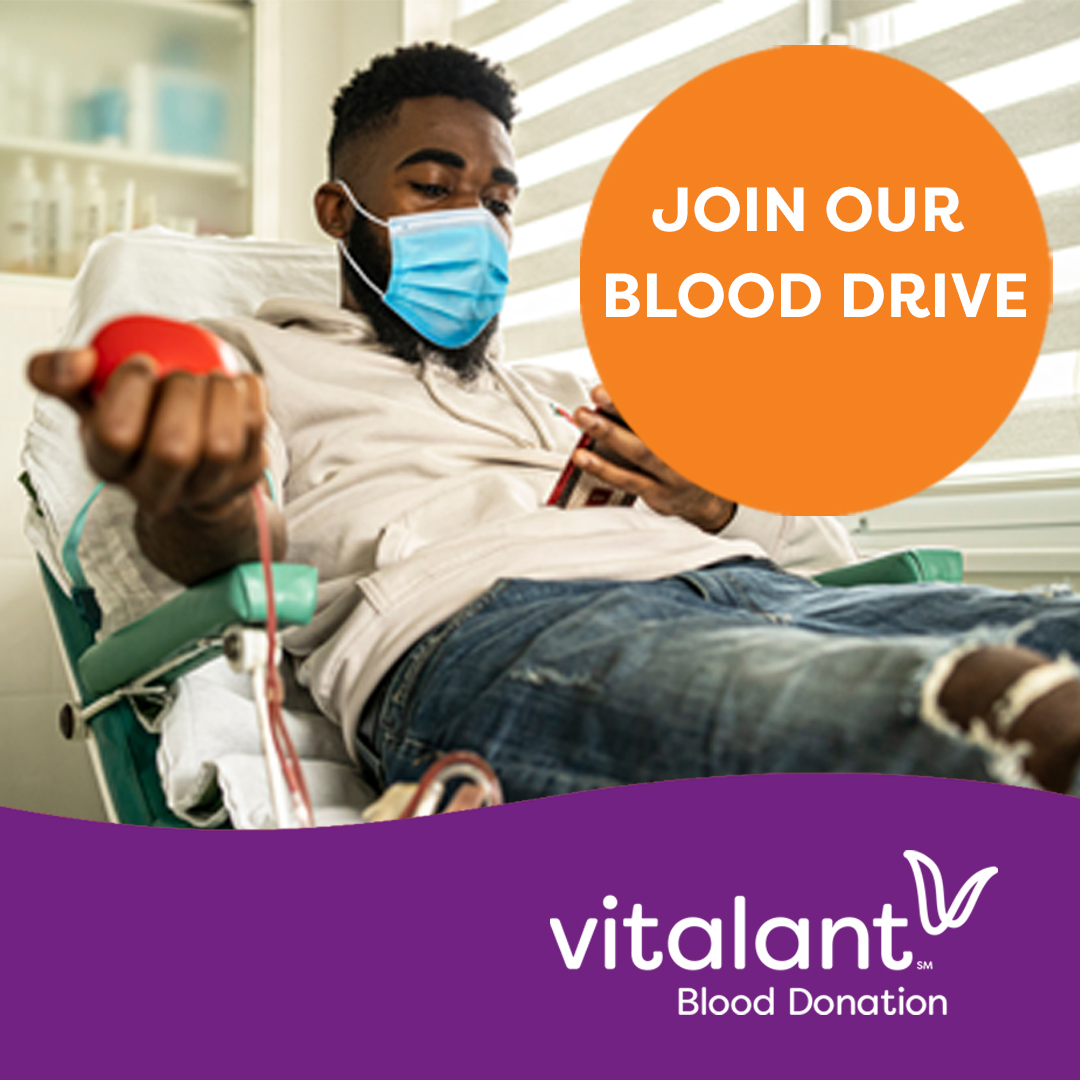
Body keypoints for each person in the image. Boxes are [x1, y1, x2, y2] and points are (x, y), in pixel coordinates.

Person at [27, 44, 1080, 803]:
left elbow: (821, 568)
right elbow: (166, 562)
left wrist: (717, 500)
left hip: (745, 595)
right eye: (434, 187)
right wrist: (199, 492)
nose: (474, 224)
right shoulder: (245, 360)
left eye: (497, 199)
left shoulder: (554, 388)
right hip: (494, 631)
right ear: (340, 211)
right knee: (945, 719)